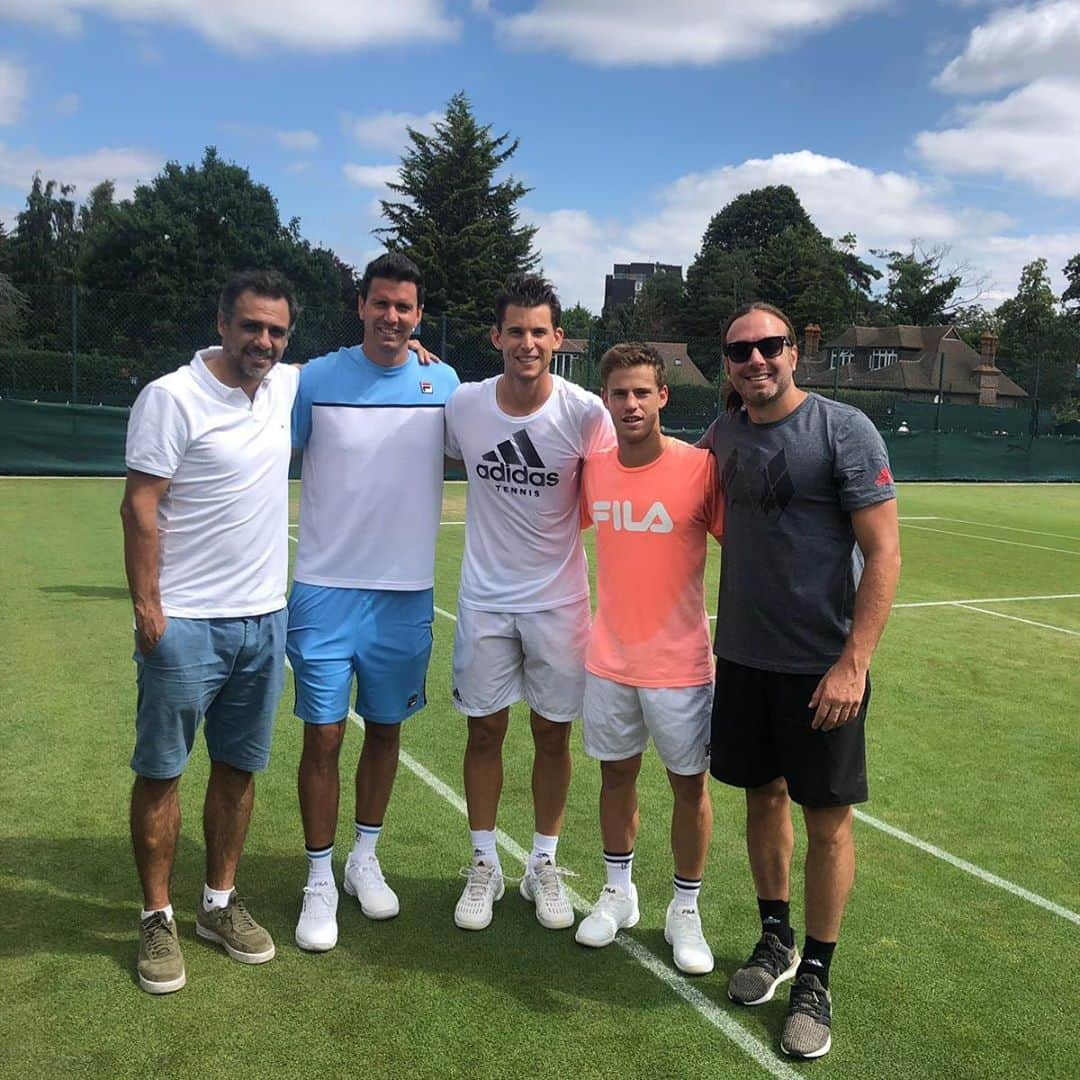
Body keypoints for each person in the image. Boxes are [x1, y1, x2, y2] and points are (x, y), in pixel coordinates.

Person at [699, 301, 901, 1059]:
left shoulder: (843, 430)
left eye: (770, 346)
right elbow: (641, 441)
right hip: (745, 659)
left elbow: (883, 554)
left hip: (823, 669)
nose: (757, 360)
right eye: (740, 350)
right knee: (762, 798)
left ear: (793, 351)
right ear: (727, 363)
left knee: (826, 819)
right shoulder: (721, 435)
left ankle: (816, 972)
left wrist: (855, 662)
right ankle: (774, 938)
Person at [121, 269, 301, 994]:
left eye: (277, 331)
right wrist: (148, 610)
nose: (264, 341)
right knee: (162, 770)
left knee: (238, 770)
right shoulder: (171, 396)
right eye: (252, 325)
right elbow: (140, 507)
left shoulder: (285, 387)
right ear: (222, 321)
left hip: (265, 619)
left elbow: (371, 352)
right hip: (186, 623)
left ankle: (217, 906)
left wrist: (416, 350)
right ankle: (156, 917)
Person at [290, 252, 460, 952]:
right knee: (324, 734)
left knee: (384, 730)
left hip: (404, 595)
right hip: (325, 589)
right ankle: (320, 877)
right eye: (381, 304)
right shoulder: (314, 380)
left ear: (419, 316)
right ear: (360, 305)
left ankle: (364, 856)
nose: (392, 317)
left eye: (406, 308)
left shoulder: (443, 382)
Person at [444, 274, 615, 932]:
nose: (526, 342)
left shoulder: (585, 413)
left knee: (553, 733)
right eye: (514, 330)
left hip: (559, 604)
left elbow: (601, 501)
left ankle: (542, 861)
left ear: (557, 338)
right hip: (484, 601)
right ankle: (483, 862)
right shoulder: (464, 404)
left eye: (538, 331)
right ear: (496, 336)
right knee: (484, 730)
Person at [575, 344, 723, 976]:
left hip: (681, 666)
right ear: (605, 401)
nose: (630, 404)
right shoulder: (595, 468)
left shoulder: (701, 468)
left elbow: (745, 547)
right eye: (618, 394)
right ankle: (619, 891)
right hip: (608, 661)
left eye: (641, 392)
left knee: (688, 787)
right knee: (615, 778)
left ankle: (684, 908)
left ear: (664, 396)